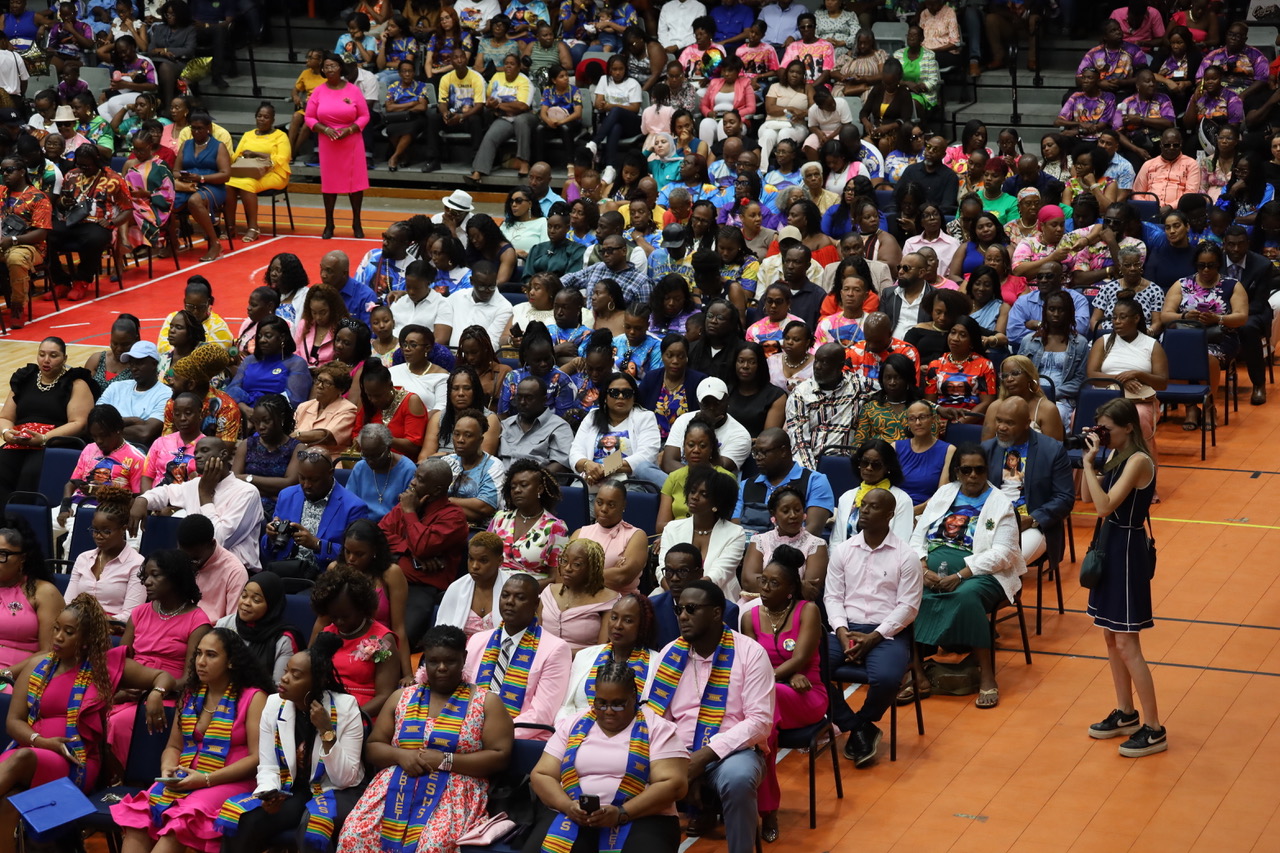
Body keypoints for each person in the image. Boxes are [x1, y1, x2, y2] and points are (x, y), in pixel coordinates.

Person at [0, 593, 177, 836]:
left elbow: (163, 677)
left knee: (22, 758)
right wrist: (42, 742)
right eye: (56, 629)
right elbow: (14, 721)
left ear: (86, 639)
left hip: (75, 761)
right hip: (30, 749)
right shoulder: (36, 665)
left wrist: (157, 693)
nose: (58, 637)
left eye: (69, 632)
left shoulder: (103, 667)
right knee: (7, 803)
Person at [335, 624, 514, 853]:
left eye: (450, 661)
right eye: (433, 661)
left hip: (453, 792)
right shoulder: (401, 697)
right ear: (424, 661)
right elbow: (373, 747)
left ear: (464, 657)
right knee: (354, 836)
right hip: (395, 786)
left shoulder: (485, 702)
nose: (441, 668)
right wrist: (401, 755)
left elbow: (500, 756)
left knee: (432, 846)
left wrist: (445, 760)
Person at [111, 629, 269, 853]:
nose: (201, 662)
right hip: (186, 777)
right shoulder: (189, 695)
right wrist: (167, 769)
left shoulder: (254, 698)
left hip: (231, 780)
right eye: (199, 654)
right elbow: (174, 746)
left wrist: (206, 779)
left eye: (211, 655)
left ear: (231, 662)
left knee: (180, 824)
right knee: (139, 820)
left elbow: (256, 758)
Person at [643, 578, 772, 851]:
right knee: (624, 768)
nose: (682, 616)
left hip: (732, 752)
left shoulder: (750, 653)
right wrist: (680, 763)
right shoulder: (669, 654)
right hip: (676, 751)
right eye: (679, 609)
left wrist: (703, 758)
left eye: (691, 609)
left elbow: (760, 722)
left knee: (739, 780)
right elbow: (653, 717)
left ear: (716, 613)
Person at [215, 632, 364, 853]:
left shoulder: (346, 707)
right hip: (293, 789)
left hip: (336, 790)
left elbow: (345, 778)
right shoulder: (274, 704)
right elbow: (268, 765)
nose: (284, 678)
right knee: (242, 818)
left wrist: (326, 730)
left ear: (317, 681)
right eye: (286, 671)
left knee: (313, 827)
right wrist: (269, 793)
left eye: (296, 675)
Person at [528, 656, 686, 853]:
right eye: (601, 703)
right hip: (575, 815)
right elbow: (542, 774)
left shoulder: (657, 728)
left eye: (618, 704)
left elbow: (673, 785)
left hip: (642, 817)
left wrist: (622, 813)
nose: (609, 711)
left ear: (634, 698)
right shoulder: (573, 724)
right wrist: (567, 806)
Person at [910, 445, 1027, 709]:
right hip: (931, 571)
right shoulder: (944, 493)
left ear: (987, 471)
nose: (973, 475)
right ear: (957, 472)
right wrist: (923, 567)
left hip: (983, 574)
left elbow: (1004, 553)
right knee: (906, 594)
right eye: (966, 470)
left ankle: (987, 674)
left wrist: (961, 574)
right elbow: (918, 535)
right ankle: (915, 671)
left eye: (979, 469)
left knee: (966, 597)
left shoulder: (1001, 503)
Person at [1081, 397, 1163, 757]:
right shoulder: (1116, 454)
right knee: (1110, 638)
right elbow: (1087, 496)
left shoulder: (1139, 460)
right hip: (1109, 545)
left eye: (1108, 429)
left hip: (1126, 552)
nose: (1103, 434)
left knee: (1128, 644)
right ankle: (1126, 712)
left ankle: (1154, 728)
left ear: (1128, 427)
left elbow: (1103, 506)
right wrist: (1091, 460)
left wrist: (1088, 464)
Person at [823, 487, 921, 763]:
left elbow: (908, 607)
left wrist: (875, 637)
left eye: (873, 506)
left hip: (887, 633)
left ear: (890, 515)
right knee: (811, 670)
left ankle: (864, 722)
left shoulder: (906, 556)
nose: (864, 510)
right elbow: (832, 597)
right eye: (862, 504)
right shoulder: (843, 551)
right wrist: (842, 632)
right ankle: (857, 727)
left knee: (888, 679)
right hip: (845, 629)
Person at [740, 545, 825, 841]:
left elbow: (800, 659)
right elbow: (749, 663)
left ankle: (766, 810)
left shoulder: (808, 611)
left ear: (790, 589)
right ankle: (760, 806)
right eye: (763, 580)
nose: (764, 588)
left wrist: (774, 679)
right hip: (770, 697)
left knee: (763, 711)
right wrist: (776, 680)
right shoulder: (749, 617)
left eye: (773, 583)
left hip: (807, 694)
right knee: (764, 730)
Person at [464, 573, 572, 738]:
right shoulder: (477, 641)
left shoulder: (555, 649)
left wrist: (493, 734)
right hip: (469, 733)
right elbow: (463, 694)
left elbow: (542, 713)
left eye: (520, 597)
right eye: (505, 595)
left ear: (536, 604)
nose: (510, 602)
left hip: (520, 738)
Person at [130, 437, 263, 572]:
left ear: (223, 454)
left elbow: (218, 541)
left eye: (204, 451)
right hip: (195, 568)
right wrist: (143, 500)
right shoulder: (195, 485)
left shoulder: (246, 492)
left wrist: (204, 495)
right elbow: (166, 492)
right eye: (196, 453)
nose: (197, 456)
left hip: (234, 570)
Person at [379, 457, 469, 648]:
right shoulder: (407, 504)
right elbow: (379, 535)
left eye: (419, 479)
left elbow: (422, 546)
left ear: (436, 490)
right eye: (414, 476)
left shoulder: (454, 517)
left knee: (396, 644)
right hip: (386, 577)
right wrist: (409, 551)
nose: (412, 482)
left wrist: (409, 512)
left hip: (421, 587)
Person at [1158, 243, 1248, 429]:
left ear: (1218, 264)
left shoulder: (1232, 285)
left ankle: (1209, 406)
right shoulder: (1182, 284)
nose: (1206, 270)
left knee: (1208, 357)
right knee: (1170, 355)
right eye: (1201, 265)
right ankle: (1190, 407)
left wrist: (1218, 318)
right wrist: (1184, 316)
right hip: (1186, 337)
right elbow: (1165, 316)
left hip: (1219, 338)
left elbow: (1241, 317)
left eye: (1211, 265)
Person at [0, 337, 93, 506]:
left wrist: (44, 438)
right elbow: (5, 417)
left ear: (64, 358)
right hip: (20, 442)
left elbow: (79, 422)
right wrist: (7, 433)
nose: (46, 360)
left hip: (54, 443)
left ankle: (23, 518)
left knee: (31, 473)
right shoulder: (24, 378)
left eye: (53, 355)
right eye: (42, 354)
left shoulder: (76, 384)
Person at [981, 397, 1074, 564]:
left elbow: (1064, 498)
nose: (1001, 427)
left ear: (1027, 423)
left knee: (1002, 561)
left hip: (1033, 525)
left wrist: (1033, 519)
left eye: (1009, 423)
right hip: (991, 521)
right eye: (999, 420)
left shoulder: (1052, 450)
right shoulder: (987, 449)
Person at [311, 567, 399, 718]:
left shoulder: (382, 639)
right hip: (325, 709)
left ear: (362, 608)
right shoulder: (326, 634)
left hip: (363, 714)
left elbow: (385, 695)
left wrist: (350, 717)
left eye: (345, 616)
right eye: (334, 616)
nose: (339, 621)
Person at [263, 450, 368, 575]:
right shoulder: (287, 496)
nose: (306, 485)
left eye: (314, 480)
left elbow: (356, 555)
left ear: (330, 473)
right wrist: (271, 537)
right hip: (283, 570)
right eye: (302, 478)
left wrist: (317, 544)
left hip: (324, 576)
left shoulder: (353, 507)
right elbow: (266, 552)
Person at [48, 144, 131, 301]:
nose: (82, 169)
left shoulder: (114, 179)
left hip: (98, 224)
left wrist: (113, 222)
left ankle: (82, 280)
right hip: (71, 221)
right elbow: (59, 204)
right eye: (79, 165)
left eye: (86, 166)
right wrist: (63, 203)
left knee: (94, 239)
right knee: (45, 234)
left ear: (97, 161)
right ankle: (61, 281)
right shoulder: (71, 175)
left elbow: (128, 209)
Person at [658, 467, 747, 601]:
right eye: (692, 491)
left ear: (718, 502)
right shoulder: (672, 528)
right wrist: (675, 597)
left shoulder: (735, 533)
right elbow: (662, 568)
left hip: (717, 598)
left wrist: (689, 598)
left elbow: (720, 573)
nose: (694, 497)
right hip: (672, 594)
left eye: (704, 494)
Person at [306, 52, 369, 239]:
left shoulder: (353, 90)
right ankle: (329, 224)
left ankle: (356, 223)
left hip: (351, 140)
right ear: (323, 70)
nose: (330, 69)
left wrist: (349, 130)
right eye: (326, 66)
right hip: (328, 142)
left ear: (340, 67)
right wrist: (324, 129)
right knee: (330, 185)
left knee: (355, 185)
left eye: (333, 65)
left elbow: (364, 115)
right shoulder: (318, 91)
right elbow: (309, 117)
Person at [785, 342, 874, 470]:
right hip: (814, 463)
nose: (817, 367)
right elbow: (799, 442)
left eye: (825, 362)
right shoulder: (801, 394)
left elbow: (890, 388)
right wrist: (812, 475)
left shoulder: (858, 385)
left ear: (840, 366)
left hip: (851, 464)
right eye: (816, 361)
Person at [64, 484, 145, 624]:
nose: (98, 536)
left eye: (106, 531)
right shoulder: (83, 558)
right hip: (78, 625)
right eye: (95, 530)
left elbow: (131, 615)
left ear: (123, 529)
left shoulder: (137, 563)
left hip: (114, 627)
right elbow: (68, 603)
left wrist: (97, 622)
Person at [735, 428, 836, 538]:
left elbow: (813, 530)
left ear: (783, 451)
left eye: (763, 452)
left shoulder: (814, 481)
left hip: (797, 548)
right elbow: (735, 530)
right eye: (755, 453)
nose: (758, 458)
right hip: (750, 547)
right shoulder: (745, 486)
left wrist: (774, 547)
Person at [571, 372, 662, 489]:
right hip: (591, 482)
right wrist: (586, 464)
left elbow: (646, 455)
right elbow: (575, 452)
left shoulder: (645, 417)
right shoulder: (592, 416)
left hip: (629, 484)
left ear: (634, 397)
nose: (620, 397)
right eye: (614, 392)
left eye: (627, 393)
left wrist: (605, 467)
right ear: (605, 396)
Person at [486, 457, 567, 583]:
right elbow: (484, 557)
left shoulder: (555, 527)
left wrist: (526, 589)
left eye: (524, 485)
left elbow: (555, 578)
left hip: (531, 590)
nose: (517, 490)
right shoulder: (500, 518)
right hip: (493, 585)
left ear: (539, 489)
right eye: (513, 487)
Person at [213, 573, 303, 685]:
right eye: (244, 596)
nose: (246, 603)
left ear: (271, 605)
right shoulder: (224, 624)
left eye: (256, 600)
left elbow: (280, 688)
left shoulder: (283, 640)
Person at [224, 102, 291, 244]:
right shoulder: (248, 135)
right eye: (259, 116)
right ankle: (230, 226)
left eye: (266, 117)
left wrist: (256, 154)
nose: (262, 119)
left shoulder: (281, 136)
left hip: (274, 173)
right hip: (248, 170)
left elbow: (282, 158)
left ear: (273, 120)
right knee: (228, 184)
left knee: (248, 184)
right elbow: (236, 156)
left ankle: (253, 228)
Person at [830, 440, 916, 547]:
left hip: (885, 556)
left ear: (888, 468)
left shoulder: (902, 500)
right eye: (864, 463)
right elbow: (836, 541)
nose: (869, 468)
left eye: (876, 465)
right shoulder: (846, 497)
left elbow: (901, 543)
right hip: (846, 556)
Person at [540, 539, 620, 653]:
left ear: (592, 568)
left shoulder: (610, 601)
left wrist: (557, 654)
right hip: (542, 660)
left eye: (577, 564)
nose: (567, 568)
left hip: (584, 662)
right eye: (564, 561)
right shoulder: (549, 592)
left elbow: (602, 651)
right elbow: (535, 637)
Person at [0, 152, 51, 329]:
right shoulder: (0, 192)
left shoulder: (38, 197)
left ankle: (17, 306)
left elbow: (41, 233)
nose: (5, 174)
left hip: (29, 246)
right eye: (2, 171)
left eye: (9, 170)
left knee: (16, 259)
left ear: (22, 171)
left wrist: (13, 240)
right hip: (2, 242)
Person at [226, 317, 312, 414]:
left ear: (282, 338)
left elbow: (294, 400)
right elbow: (232, 389)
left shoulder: (296, 363)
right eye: (259, 336)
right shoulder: (250, 360)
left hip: (275, 415)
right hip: (243, 412)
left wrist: (259, 412)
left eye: (268, 336)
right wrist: (246, 409)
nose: (262, 340)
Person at [436, 532, 510, 640]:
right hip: (459, 649)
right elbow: (441, 634)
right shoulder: (456, 588)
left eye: (483, 560)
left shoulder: (512, 591)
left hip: (497, 649)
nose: (474, 566)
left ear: (499, 561)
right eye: (471, 559)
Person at [499, 376, 574, 472]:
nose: (522, 402)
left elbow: (562, 464)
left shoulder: (559, 427)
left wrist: (537, 477)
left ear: (544, 400)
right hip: (500, 478)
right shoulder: (505, 425)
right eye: (519, 397)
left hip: (538, 478)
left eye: (529, 398)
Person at [293, 363, 359, 460]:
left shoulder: (348, 409)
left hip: (329, 461)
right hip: (299, 458)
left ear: (341, 389)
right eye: (319, 380)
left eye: (327, 383)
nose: (320, 386)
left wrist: (296, 436)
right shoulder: (304, 406)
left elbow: (325, 436)